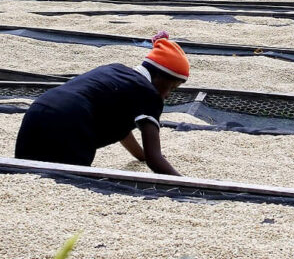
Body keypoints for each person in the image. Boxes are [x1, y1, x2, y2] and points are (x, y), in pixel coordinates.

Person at [14, 35, 190, 175]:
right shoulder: (149, 94)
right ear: (159, 76)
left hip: (37, 111)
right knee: (67, 181)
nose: (167, 95)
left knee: (26, 175)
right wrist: (187, 184)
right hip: (71, 121)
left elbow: (121, 127)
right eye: (172, 87)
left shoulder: (115, 70)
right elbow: (155, 159)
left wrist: (139, 156)